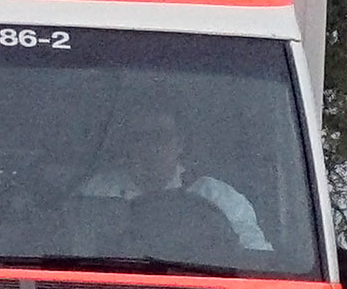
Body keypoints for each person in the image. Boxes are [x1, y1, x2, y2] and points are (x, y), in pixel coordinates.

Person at [78, 97, 267, 254]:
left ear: (180, 144)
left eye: (161, 136)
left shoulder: (217, 197)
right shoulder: (97, 192)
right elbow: (77, 248)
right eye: (139, 138)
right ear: (126, 145)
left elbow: (256, 258)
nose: (151, 147)